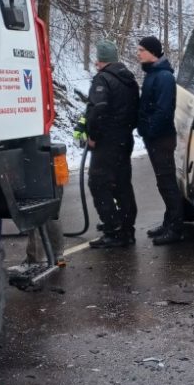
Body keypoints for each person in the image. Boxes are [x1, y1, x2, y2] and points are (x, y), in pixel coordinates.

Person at [85, 40, 139, 249]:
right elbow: (136, 109)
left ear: (100, 59)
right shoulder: (129, 79)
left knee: (98, 184)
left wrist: (94, 135)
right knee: (122, 184)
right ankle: (127, 229)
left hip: (107, 142)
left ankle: (113, 229)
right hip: (125, 139)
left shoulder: (103, 80)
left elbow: (98, 109)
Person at [136, 35, 185, 245]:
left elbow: (163, 110)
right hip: (156, 137)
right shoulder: (153, 74)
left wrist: (149, 130)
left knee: (167, 184)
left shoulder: (163, 77)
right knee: (163, 183)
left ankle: (175, 228)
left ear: (152, 52)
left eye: (141, 50)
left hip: (161, 138)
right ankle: (169, 222)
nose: (138, 53)